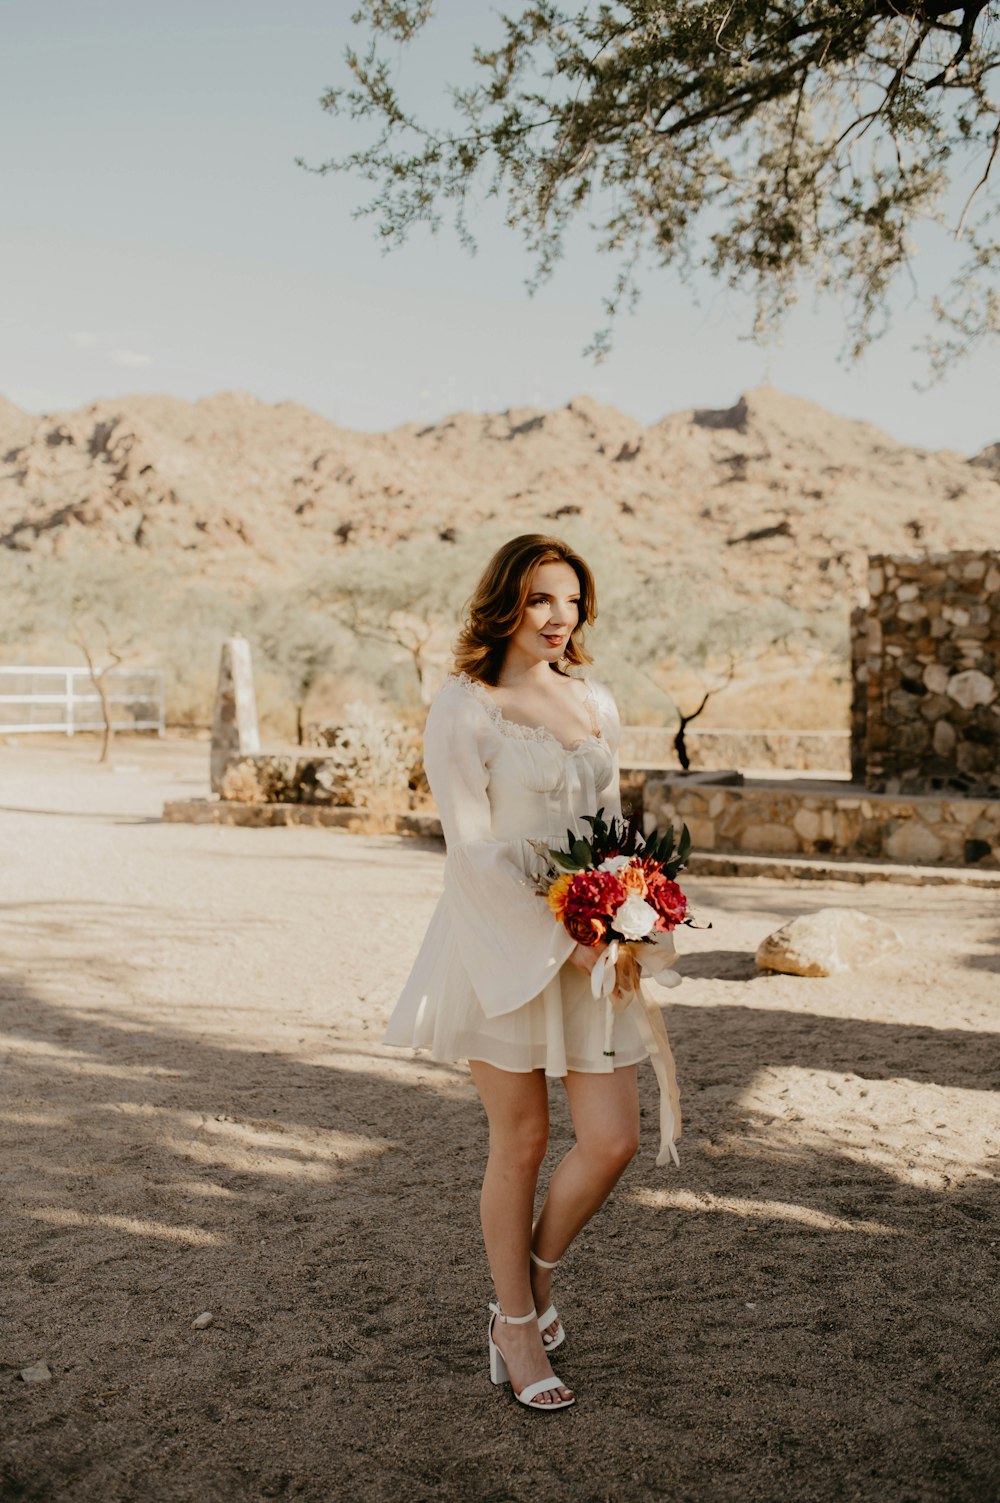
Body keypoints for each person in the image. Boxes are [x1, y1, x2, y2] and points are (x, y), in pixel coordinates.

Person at [384, 533, 681, 1413]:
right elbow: (471, 850)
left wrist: (630, 908)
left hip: (597, 949)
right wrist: (565, 933)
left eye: (572, 600)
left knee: (612, 1138)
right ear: (506, 601)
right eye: (543, 599)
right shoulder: (465, 707)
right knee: (518, 1140)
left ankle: (534, 1283)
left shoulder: (596, 699)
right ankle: (514, 1323)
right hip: (500, 941)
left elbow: (612, 826)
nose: (560, 617)